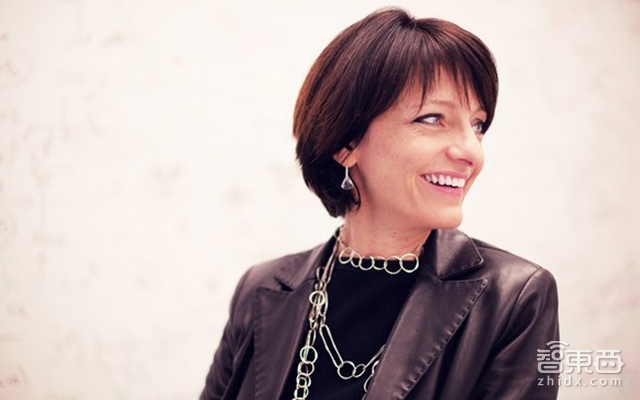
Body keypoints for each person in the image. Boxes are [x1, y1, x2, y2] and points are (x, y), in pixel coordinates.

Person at [200, 7, 560, 400]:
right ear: (346, 143)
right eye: (433, 119)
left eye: (477, 125)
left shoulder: (514, 299)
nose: (471, 151)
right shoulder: (261, 289)